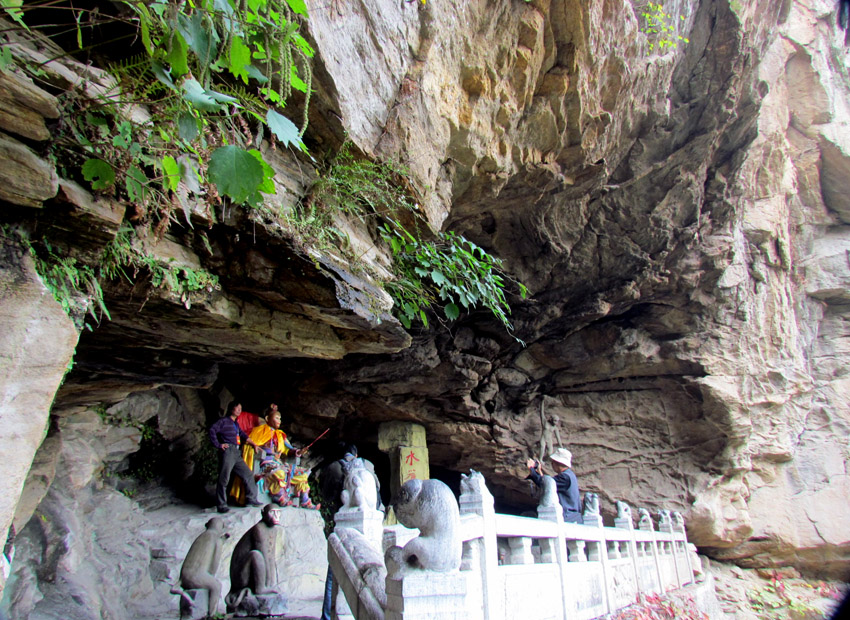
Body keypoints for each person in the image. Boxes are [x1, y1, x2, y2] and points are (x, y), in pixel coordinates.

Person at [233, 404, 316, 509]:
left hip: (279, 463)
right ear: (267, 418)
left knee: (302, 473)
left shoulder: (281, 435)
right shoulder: (259, 431)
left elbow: (289, 449)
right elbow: (250, 445)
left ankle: (305, 501)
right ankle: (280, 497)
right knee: (279, 473)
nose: (279, 421)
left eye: (280, 418)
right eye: (276, 418)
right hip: (266, 463)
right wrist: (262, 449)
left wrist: (299, 452)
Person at [209, 401, 263, 513]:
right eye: (237, 408)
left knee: (247, 473)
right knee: (224, 478)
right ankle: (221, 505)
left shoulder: (236, 424)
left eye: (240, 408)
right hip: (228, 451)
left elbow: (243, 435)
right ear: (231, 409)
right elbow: (212, 430)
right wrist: (218, 445)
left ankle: (251, 499)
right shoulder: (223, 421)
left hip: (237, 452)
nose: (239, 410)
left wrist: (254, 444)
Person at [526, 447, 583, 524]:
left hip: (567, 517)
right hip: (572, 516)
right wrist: (539, 471)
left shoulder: (565, 477)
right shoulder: (570, 475)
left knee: (529, 516)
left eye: (553, 462)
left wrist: (531, 469)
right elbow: (548, 484)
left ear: (558, 463)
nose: (552, 464)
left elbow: (547, 485)